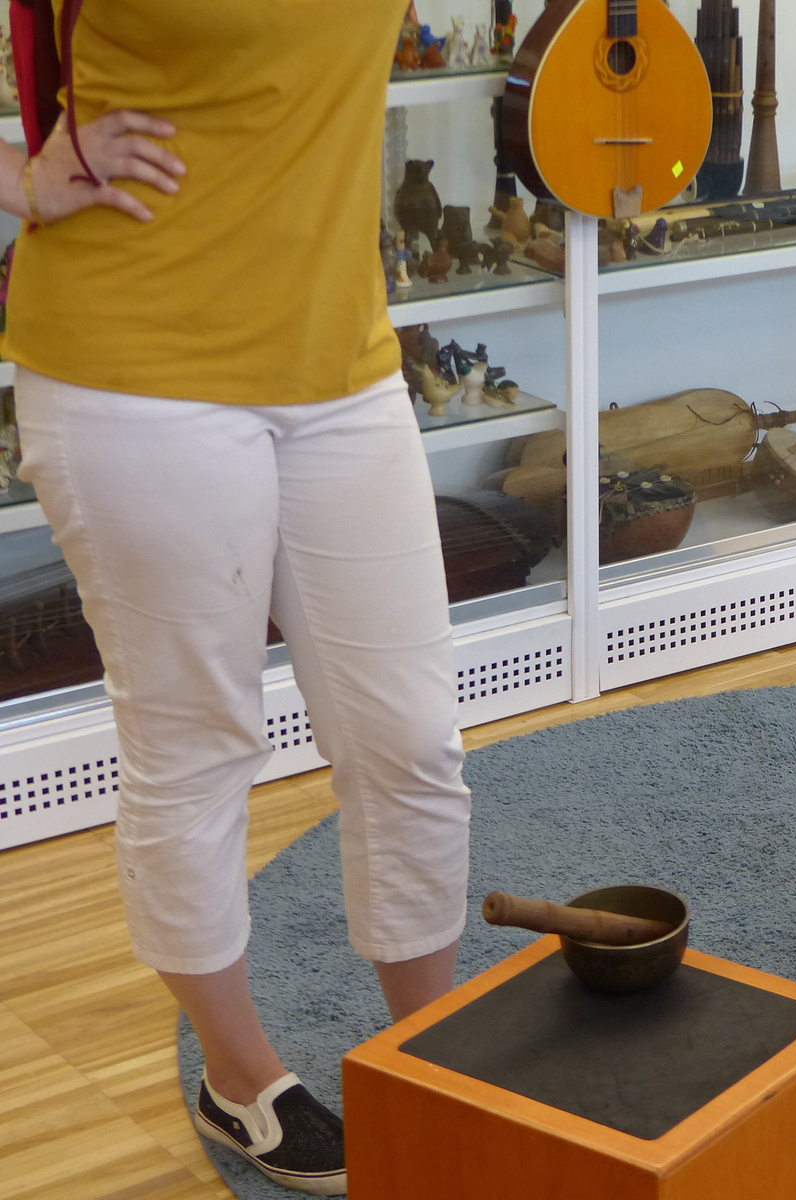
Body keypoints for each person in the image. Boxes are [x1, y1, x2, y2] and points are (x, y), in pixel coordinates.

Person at [0, 4, 471, 1192]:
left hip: (344, 368)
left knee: (411, 739)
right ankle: (240, 1075)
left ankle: (438, 1067)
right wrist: (20, 177)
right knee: (197, 742)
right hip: (133, 366)